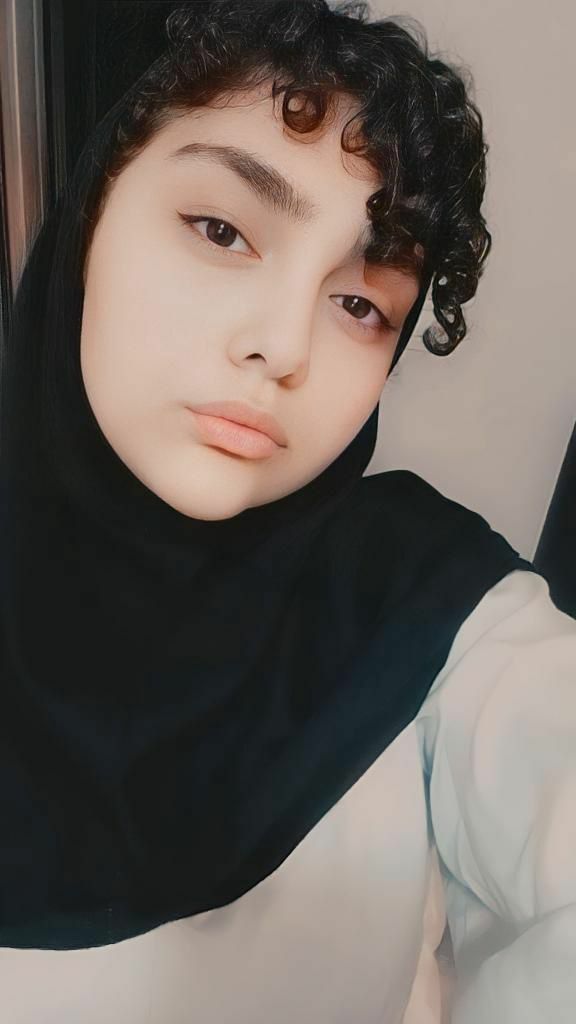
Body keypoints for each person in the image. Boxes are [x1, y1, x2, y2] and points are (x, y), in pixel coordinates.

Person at [0, 1, 574, 1022]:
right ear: (91, 216)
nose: (285, 347)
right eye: (223, 231)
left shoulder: (427, 601)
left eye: (360, 304)